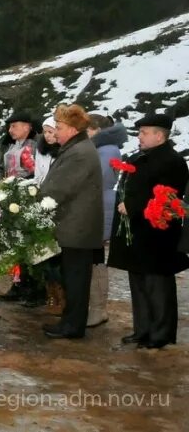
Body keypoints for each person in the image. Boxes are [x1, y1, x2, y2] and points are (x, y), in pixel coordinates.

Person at [107, 113, 189, 349]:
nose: (139, 137)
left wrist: (132, 205)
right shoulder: (140, 157)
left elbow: (168, 196)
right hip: (137, 232)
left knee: (157, 284)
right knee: (139, 282)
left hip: (157, 235)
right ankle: (142, 329)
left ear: (159, 135)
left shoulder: (172, 161)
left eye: (144, 132)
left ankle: (160, 332)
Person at [39, 104, 104, 339]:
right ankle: (69, 321)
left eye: (59, 127)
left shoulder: (79, 153)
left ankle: (73, 326)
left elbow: (59, 188)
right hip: (72, 225)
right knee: (71, 277)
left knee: (76, 280)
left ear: (73, 129)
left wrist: (35, 200)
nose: (55, 131)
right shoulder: (75, 148)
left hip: (77, 227)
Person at [0, 110, 41, 304]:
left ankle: (34, 289)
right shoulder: (9, 145)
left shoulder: (36, 146)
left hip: (28, 198)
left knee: (30, 244)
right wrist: (1, 183)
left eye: (14, 126)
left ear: (27, 127)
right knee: (14, 243)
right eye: (9, 126)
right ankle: (18, 284)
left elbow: (36, 173)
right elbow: (2, 169)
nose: (10, 130)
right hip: (10, 197)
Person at [86, 113, 125, 328]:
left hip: (100, 205)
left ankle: (98, 308)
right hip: (97, 203)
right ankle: (94, 306)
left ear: (97, 130)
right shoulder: (101, 148)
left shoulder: (107, 150)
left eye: (87, 129)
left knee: (96, 258)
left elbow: (98, 177)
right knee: (93, 257)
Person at [34, 117, 60, 185]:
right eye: (45, 132)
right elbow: (37, 175)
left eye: (50, 132)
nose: (47, 135)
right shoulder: (41, 150)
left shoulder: (66, 149)